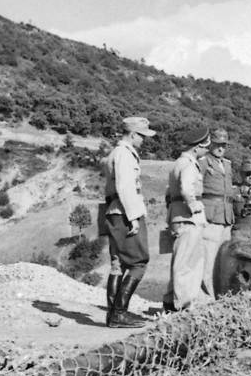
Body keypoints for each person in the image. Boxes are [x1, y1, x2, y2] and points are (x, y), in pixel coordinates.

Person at [100, 116, 156, 328]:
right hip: (125, 212)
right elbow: (125, 187)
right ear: (133, 134)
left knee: (118, 264)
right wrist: (133, 217)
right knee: (138, 263)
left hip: (115, 211)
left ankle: (113, 315)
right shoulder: (125, 154)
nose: (143, 140)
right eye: (142, 136)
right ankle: (119, 314)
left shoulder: (117, 153)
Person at [163, 127, 211, 312]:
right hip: (188, 218)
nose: (207, 150)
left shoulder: (178, 163)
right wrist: (193, 205)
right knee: (187, 263)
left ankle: (171, 300)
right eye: (205, 147)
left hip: (178, 215)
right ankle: (182, 305)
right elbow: (185, 188)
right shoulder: (189, 165)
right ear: (198, 147)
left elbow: (169, 193)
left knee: (180, 260)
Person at [198, 128, 235, 301]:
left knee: (223, 261)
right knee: (208, 259)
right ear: (211, 143)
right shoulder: (203, 162)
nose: (221, 148)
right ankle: (207, 297)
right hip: (211, 216)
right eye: (218, 144)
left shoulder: (227, 164)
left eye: (224, 145)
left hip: (227, 216)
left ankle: (220, 295)